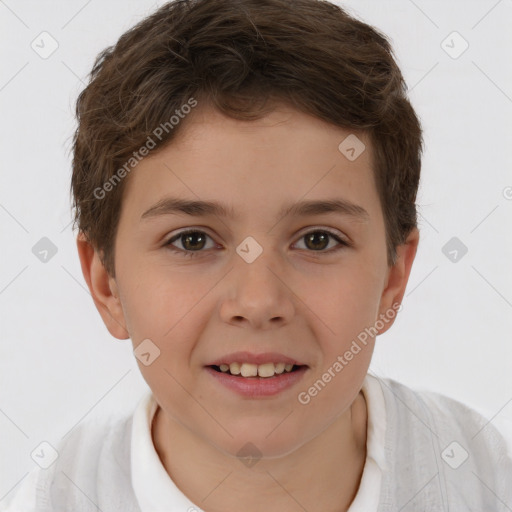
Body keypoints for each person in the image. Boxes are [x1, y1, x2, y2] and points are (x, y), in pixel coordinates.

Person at [2, 0, 511, 510]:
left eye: (318, 240)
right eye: (192, 240)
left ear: (392, 279)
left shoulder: (487, 481)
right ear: (106, 283)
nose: (259, 300)